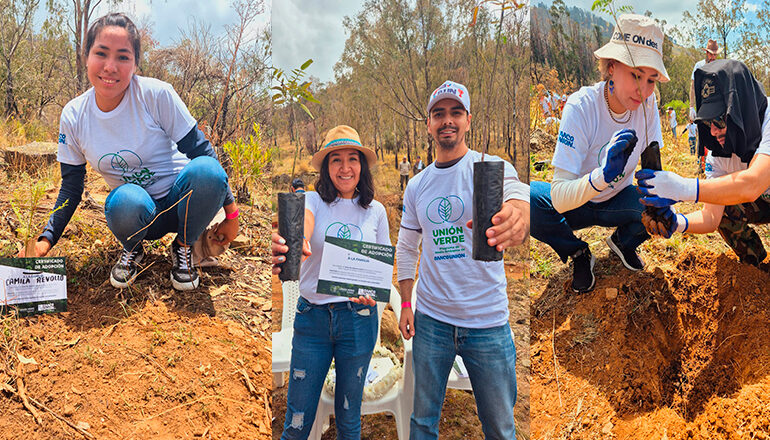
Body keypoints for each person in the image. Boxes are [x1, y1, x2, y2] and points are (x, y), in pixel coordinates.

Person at [21, 13, 239, 291]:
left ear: (135, 64)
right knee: (123, 200)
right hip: (137, 214)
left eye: (123, 57)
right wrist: (45, 240)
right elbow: (71, 187)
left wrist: (231, 215)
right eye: (101, 53)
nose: (110, 67)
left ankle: (183, 248)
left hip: (181, 204)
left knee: (206, 171)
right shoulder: (74, 116)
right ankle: (133, 250)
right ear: (85, 56)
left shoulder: (156, 95)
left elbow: (204, 153)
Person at [396, 80, 530, 440]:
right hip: (431, 323)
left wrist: (519, 213)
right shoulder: (417, 185)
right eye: (439, 114)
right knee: (423, 422)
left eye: (456, 113)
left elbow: (518, 194)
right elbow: (407, 248)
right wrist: (406, 302)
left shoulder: (491, 168)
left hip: (487, 322)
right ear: (428, 124)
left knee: (500, 427)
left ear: (468, 120)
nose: (447, 121)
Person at [530, 14, 668, 293]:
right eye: (635, 75)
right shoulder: (581, 107)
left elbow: (653, 163)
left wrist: (661, 198)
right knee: (527, 201)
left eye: (651, 79)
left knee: (661, 204)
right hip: (577, 201)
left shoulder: (648, 104)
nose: (643, 90)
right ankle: (579, 252)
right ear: (611, 67)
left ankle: (623, 242)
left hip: (617, 200)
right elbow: (559, 195)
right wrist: (600, 177)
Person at [272, 125, 389, 440]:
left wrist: (373, 293)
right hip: (313, 322)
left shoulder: (376, 211)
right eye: (336, 159)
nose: (345, 167)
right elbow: (303, 223)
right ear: (326, 167)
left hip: (358, 321)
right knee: (296, 425)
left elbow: (382, 269)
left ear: (362, 165)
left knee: (349, 423)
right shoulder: (312, 201)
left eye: (353, 158)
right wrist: (295, 241)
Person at [638, 60, 770, 267]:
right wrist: (677, 222)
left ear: (742, 111)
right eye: (707, 123)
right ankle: (756, 267)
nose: (714, 131)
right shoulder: (718, 153)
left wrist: (682, 188)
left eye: (719, 120)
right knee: (720, 195)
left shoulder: (768, 119)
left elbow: (753, 184)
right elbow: (712, 217)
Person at [690, 39, 721, 172]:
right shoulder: (699, 66)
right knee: (701, 135)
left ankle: (714, 165)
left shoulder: (719, 66)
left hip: (715, 107)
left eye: (715, 54)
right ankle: (700, 165)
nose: (713, 57)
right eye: (710, 54)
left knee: (716, 133)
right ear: (706, 53)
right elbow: (692, 87)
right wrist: (691, 106)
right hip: (702, 106)